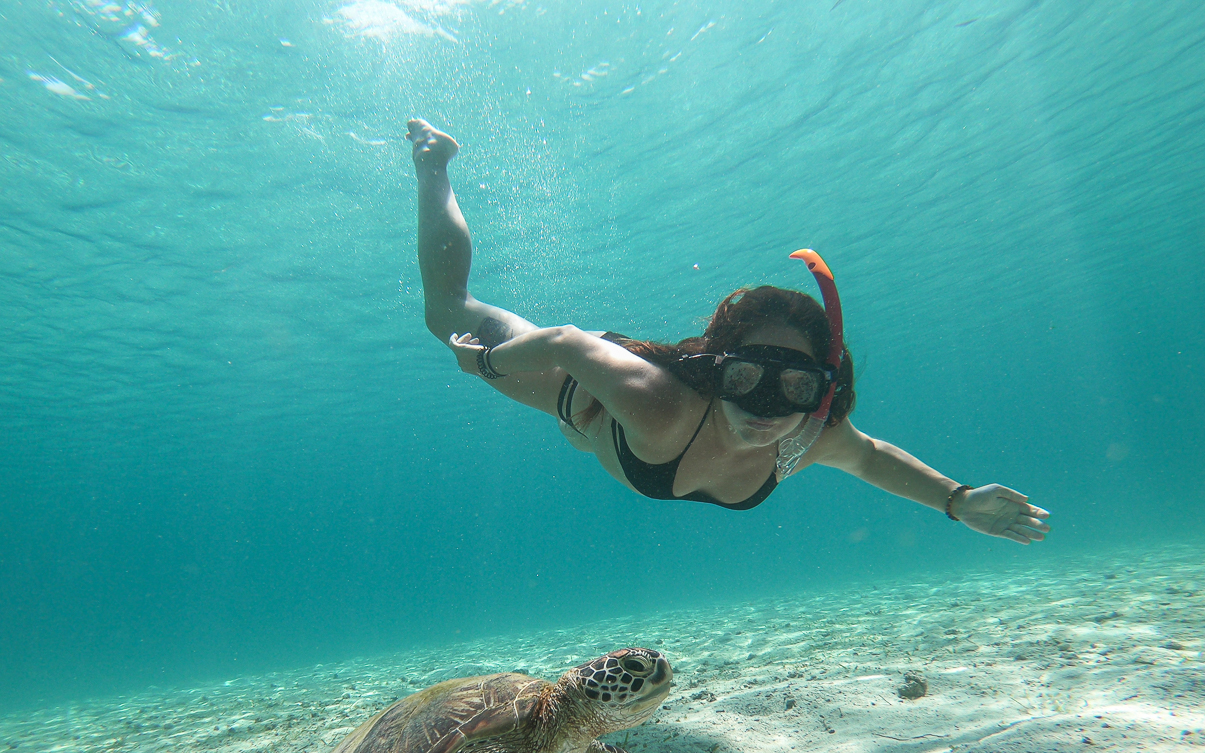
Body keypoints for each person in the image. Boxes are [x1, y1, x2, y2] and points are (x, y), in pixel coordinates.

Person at [406, 119, 1050, 544]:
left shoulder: (809, 435)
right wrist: (488, 364)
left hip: (617, 418)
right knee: (448, 312)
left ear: (822, 392)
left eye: (794, 386)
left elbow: (871, 456)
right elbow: (568, 342)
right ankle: (435, 163)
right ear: (717, 373)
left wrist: (958, 500)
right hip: (581, 393)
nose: (766, 408)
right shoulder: (657, 401)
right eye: (745, 379)